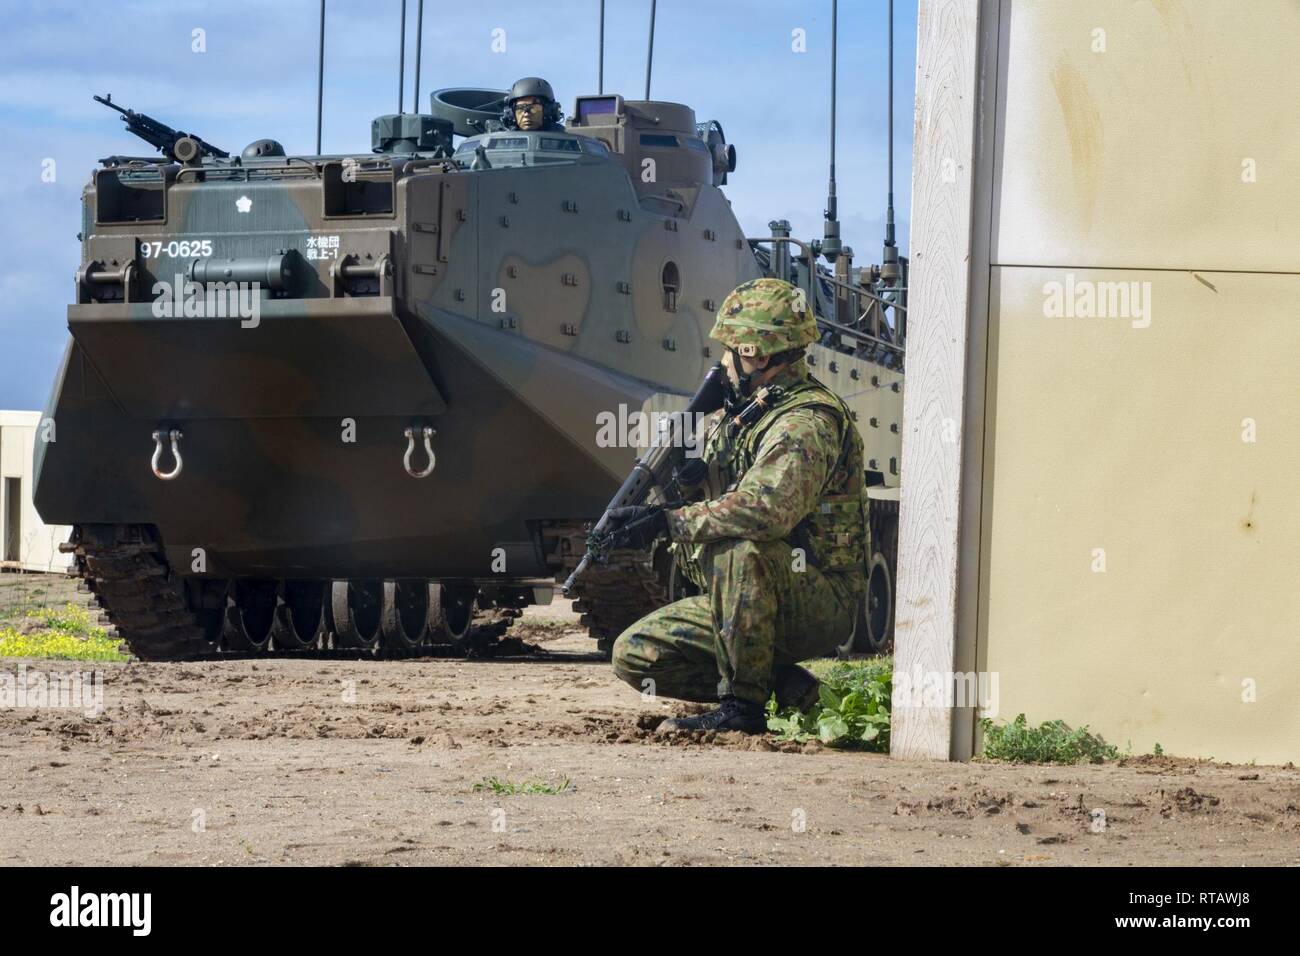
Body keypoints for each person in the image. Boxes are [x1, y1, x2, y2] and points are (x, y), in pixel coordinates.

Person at [607, 278, 870, 734]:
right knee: (636, 655)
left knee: (738, 547)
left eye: (731, 349)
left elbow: (765, 510)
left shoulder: (805, 422)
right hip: (745, 597)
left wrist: (667, 523)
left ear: (759, 355)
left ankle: (742, 709)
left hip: (818, 597)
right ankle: (781, 683)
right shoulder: (743, 413)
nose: (724, 361)